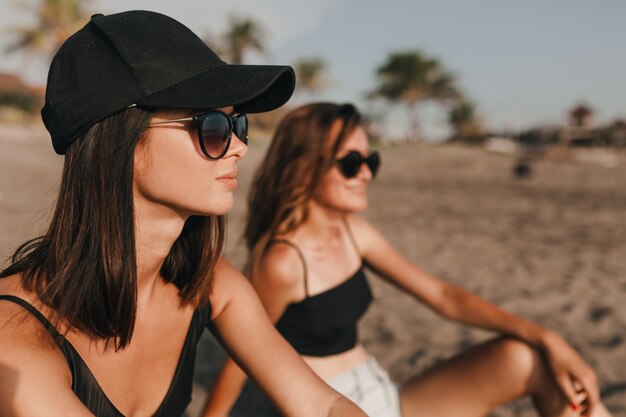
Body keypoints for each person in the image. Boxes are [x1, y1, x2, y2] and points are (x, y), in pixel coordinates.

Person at [0, 13, 367, 417]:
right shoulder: (14, 341)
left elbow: (322, 403)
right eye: (212, 127)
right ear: (121, 142)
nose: (239, 147)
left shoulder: (204, 282)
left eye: (237, 123)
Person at [201, 102, 614, 417]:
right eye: (351, 163)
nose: (365, 173)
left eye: (370, 161)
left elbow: (443, 296)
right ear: (305, 168)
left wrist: (547, 336)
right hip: (335, 405)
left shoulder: (354, 233)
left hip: (388, 396)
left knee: (530, 360)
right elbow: (239, 361)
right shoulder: (282, 261)